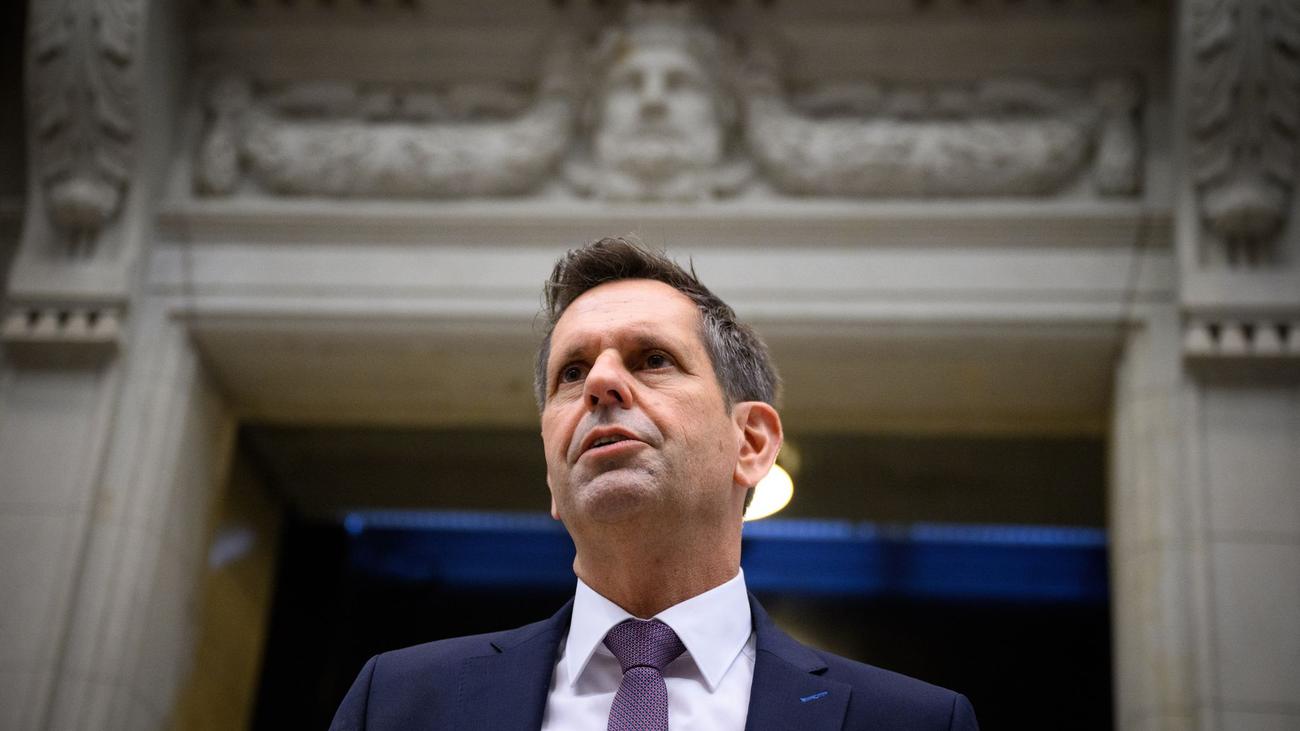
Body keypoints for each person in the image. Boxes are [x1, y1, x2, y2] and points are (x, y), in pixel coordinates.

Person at [329, 237, 979, 730]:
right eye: (572, 372)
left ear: (751, 443)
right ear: (552, 474)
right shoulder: (399, 702)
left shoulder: (913, 721)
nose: (600, 383)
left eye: (653, 359)